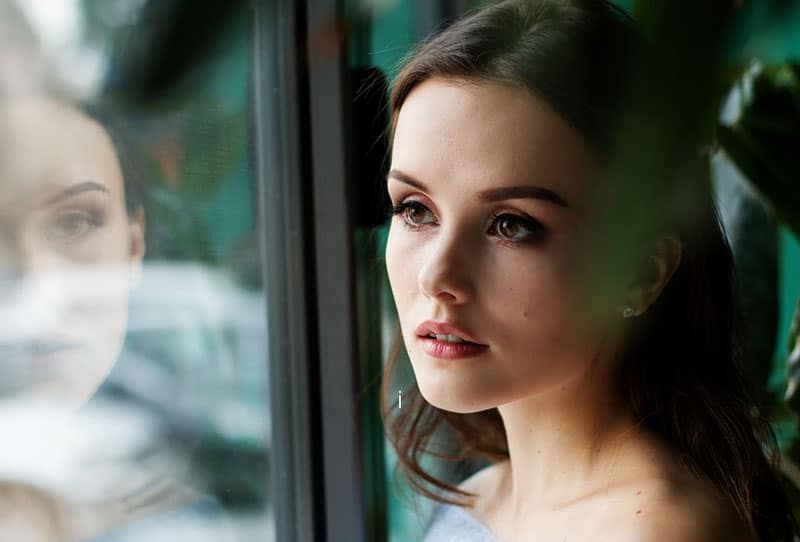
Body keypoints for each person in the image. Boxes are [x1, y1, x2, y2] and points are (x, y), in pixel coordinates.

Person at [380, 1, 799, 541]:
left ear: (641, 273)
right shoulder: (484, 499)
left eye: (511, 225)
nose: (437, 277)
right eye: (415, 210)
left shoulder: (658, 531)